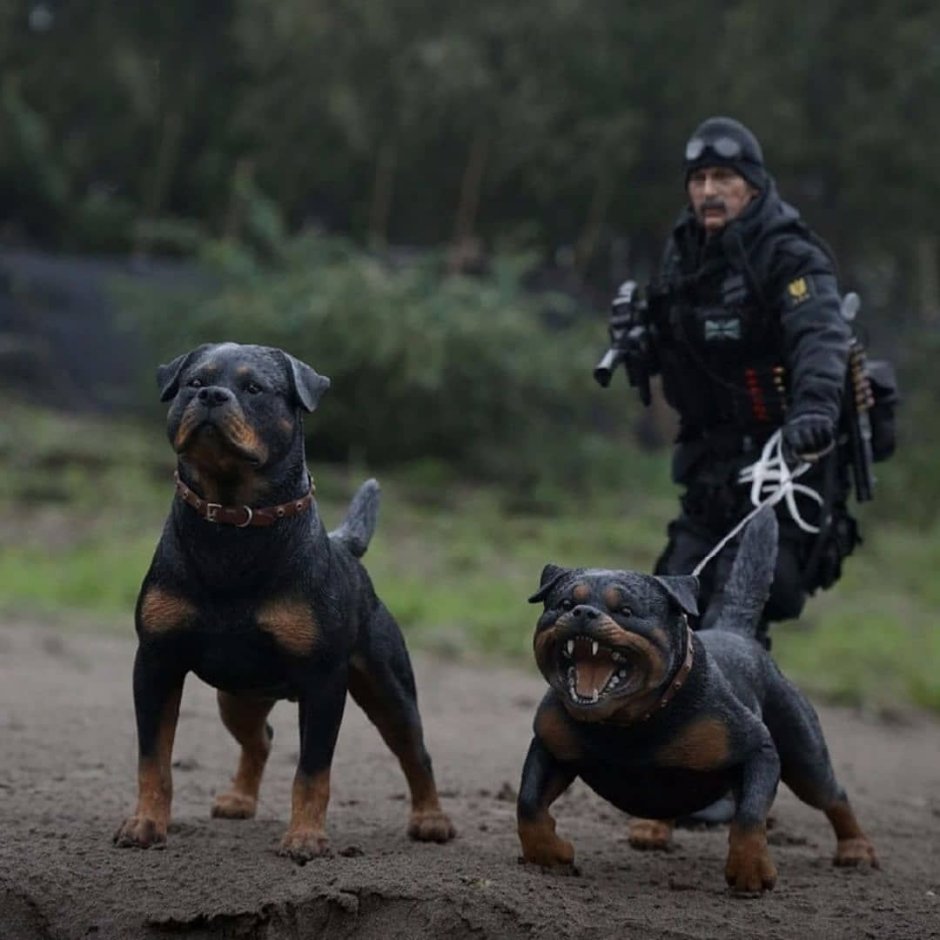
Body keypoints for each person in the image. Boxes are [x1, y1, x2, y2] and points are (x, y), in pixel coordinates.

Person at [613, 116, 860, 645]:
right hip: (711, 466)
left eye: (724, 178)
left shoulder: (789, 254)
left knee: (733, 620)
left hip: (784, 467)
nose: (709, 191)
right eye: (699, 179)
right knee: (664, 614)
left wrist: (814, 411)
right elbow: (679, 344)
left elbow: (820, 337)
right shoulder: (685, 251)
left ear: (752, 185)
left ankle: (745, 699)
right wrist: (640, 341)